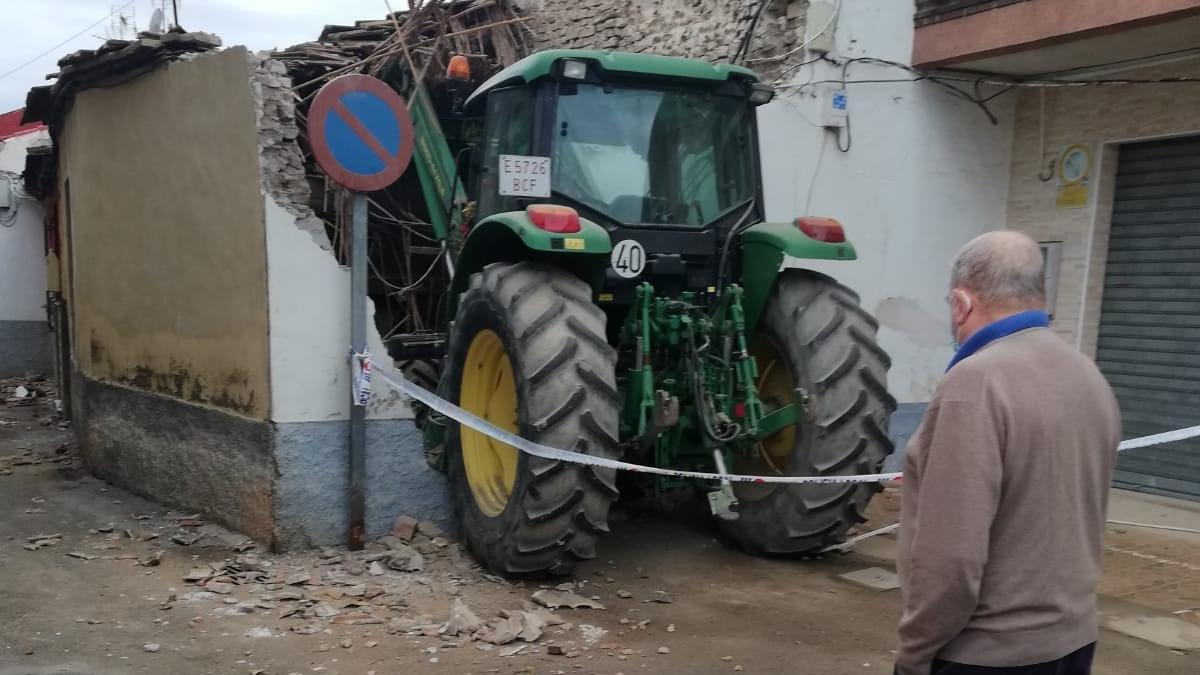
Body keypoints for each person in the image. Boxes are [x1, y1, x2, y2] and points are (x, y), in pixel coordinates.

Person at [894, 231, 1121, 675]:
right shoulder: (1088, 376)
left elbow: (951, 563)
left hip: (986, 655)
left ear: (961, 302)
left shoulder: (974, 384)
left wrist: (914, 653)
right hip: (1072, 642)